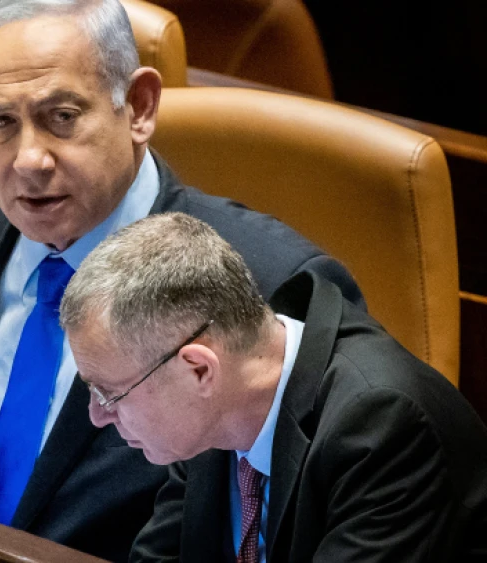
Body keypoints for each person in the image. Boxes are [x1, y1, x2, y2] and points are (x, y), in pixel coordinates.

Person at [0, 0, 363, 560]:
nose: (29, 159)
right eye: (2, 122)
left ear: (139, 106)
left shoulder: (268, 286)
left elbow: (292, 526)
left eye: (62, 117)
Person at [60, 213, 487, 562]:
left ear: (199, 370)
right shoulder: (214, 410)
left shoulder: (381, 428)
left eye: (110, 393)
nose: (99, 415)